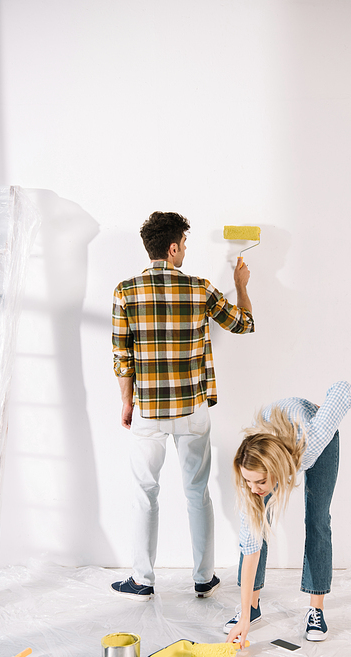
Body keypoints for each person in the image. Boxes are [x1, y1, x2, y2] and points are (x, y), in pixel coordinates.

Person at [111, 212, 254, 600]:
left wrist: (128, 402)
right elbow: (244, 324)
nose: (185, 251)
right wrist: (241, 285)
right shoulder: (199, 288)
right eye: (185, 245)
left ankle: (142, 580)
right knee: (197, 492)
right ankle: (204, 578)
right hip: (192, 410)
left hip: (149, 411)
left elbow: (121, 357)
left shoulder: (125, 291)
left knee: (145, 492)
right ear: (173, 248)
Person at [224, 380, 351, 644]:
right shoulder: (249, 471)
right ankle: (252, 606)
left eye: (261, 482)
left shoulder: (313, 441)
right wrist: (244, 619)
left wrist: (324, 411)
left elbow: (343, 388)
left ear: (278, 472)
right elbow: (250, 547)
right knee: (254, 527)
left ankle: (316, 609)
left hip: (312, 434)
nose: (254, 488)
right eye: (249, 481)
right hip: (272, 441)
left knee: (318, 519)